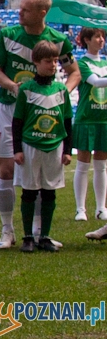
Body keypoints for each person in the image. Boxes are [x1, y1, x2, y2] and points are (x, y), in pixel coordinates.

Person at [0, 0, 80, 249]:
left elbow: (73, 73)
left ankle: (40, 232)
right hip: (9, 110)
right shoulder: (7, 36)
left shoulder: (58, 40)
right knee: (6, 170)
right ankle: (7, 230)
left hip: (43, 117)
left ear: (42, 13)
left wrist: (57, 95)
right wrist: (12, 86)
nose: (19, 12)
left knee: (42, 175)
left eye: (25, 9)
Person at [12, 40, 72, 253]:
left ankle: (44, 236)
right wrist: (17, 149)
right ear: (36, 62)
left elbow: (66, 122)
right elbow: (17, 122)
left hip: (54, 146)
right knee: (29, 192)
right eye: (48, 61)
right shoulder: (27, 90)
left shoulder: (61, 90)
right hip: (30, 146)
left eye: (56, 61)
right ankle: (28, 237)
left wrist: (67, 150)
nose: (53, 65)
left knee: (49, 193)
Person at [71, 27, 107, 221]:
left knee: (102, 166)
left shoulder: (106, 62)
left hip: (104, 119)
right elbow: (96, 82)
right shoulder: (82, 63)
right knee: (83, 165)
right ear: (86, 40)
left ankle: (101, 208)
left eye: (102, 36)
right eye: (97, 37)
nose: (101, 40)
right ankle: (80, 209)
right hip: (86, 118)